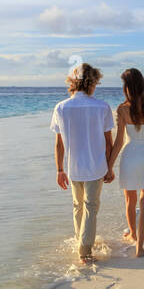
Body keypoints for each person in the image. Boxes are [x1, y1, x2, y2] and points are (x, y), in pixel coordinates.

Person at [50, 62, 114, 264]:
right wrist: (110, 167)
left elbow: (59, 144)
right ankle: (85, 252)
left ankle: (81, 240)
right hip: (96, 165)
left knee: (78, 206)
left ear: (73, 82)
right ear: (91, 82)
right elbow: (108, 142)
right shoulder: (102, 107)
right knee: (90, 207)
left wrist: (60, 169)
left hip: (73, 166)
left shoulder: (61, 107)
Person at [106, 68, 144, 258]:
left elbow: (118, 142)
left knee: (130, 200)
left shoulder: (122, 109)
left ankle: (133, 235)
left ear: (127, 88)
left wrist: (109, 165)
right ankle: (139, 247)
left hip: (130, 156)